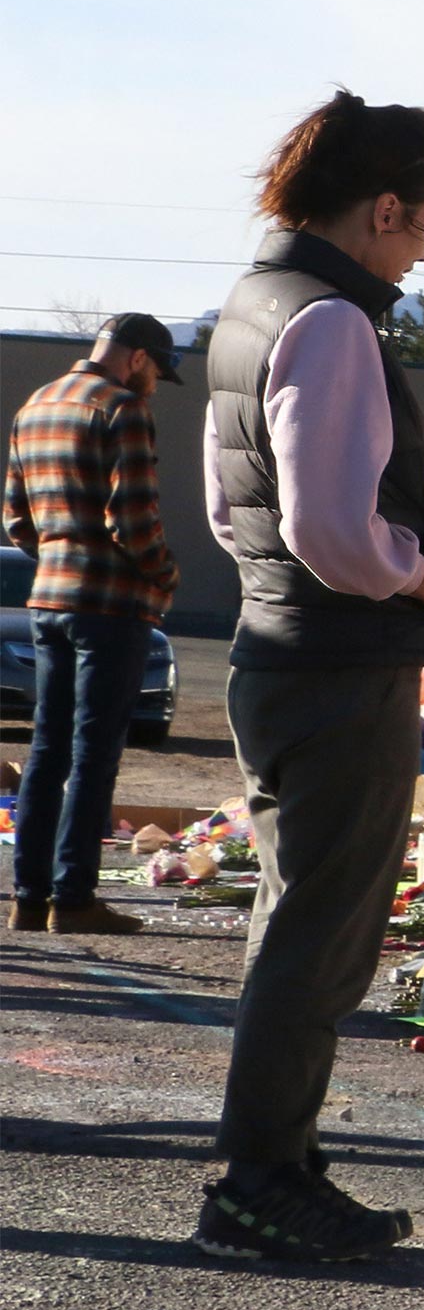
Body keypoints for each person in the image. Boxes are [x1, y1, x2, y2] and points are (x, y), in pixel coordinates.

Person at [195, 94, 424, 1265]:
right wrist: (423, 582)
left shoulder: (252, 306)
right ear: (381, 208)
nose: (421, 255)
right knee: (321, 936)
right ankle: (259, 1183)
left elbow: (236, 511)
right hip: (336, 660)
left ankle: (279, 1164)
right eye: (423, 231)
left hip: (276, 651)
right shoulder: (330, 323)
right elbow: (333, 528)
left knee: (298, 918)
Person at [6, 314, 182, 936]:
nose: (157, 382)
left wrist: (60, 555)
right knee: (94, 755)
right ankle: (73, 897)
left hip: (48, 601)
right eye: (158, 369)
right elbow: (133, 519)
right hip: (110, 607)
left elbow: (16, 524)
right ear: (136, 359)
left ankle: (28, 897)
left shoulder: (37, 404)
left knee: (47, 751)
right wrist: (164, 576)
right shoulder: (123, 408)